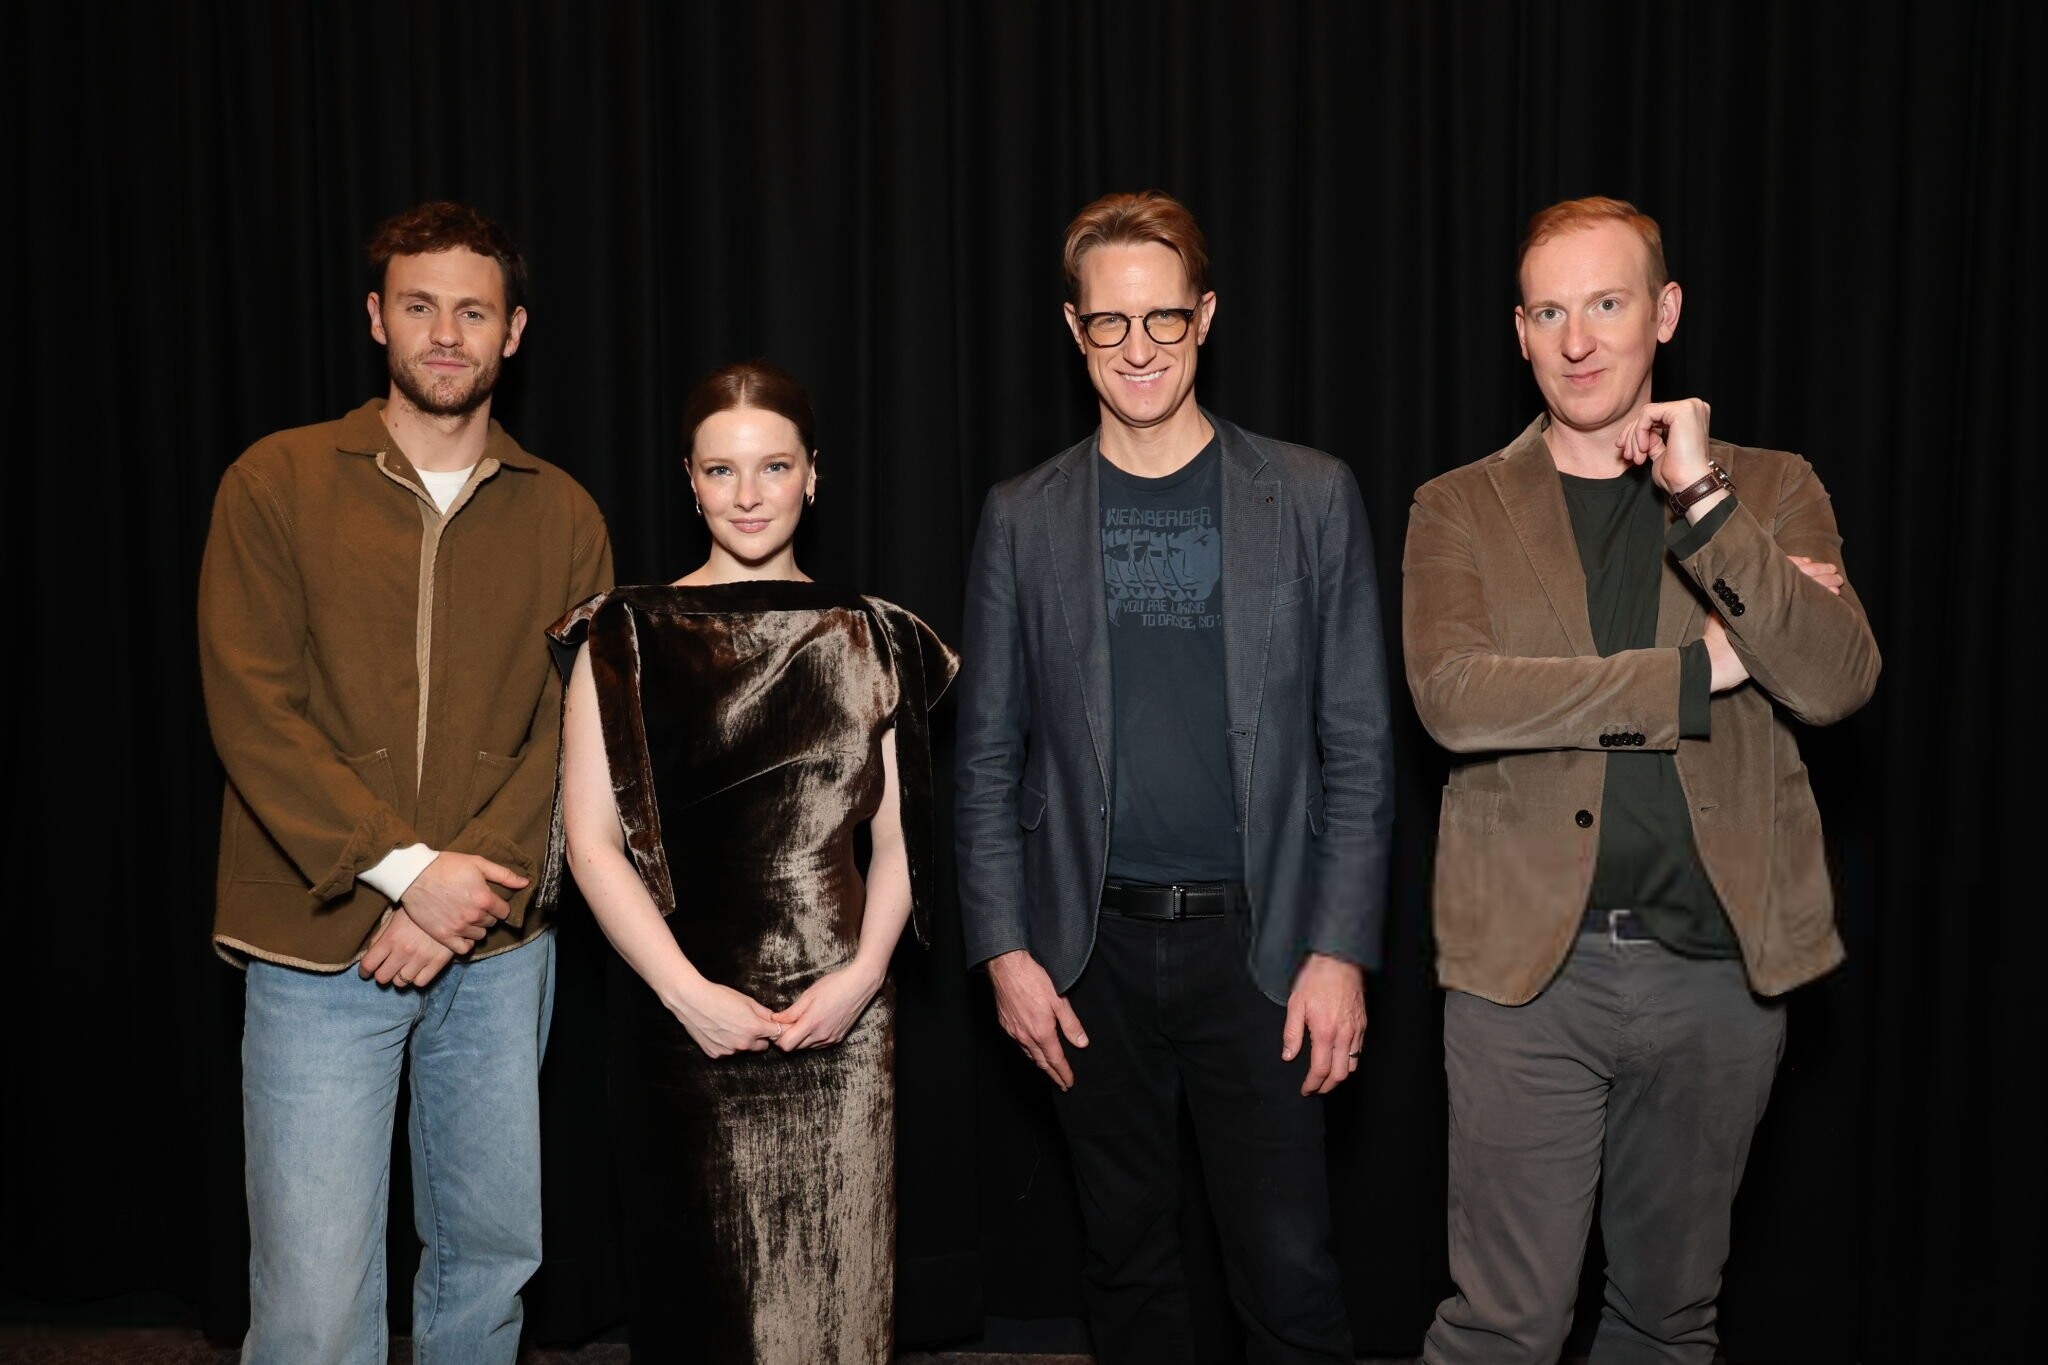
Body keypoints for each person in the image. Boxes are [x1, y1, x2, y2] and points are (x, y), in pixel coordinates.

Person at [1403, 196, 1881, 1363]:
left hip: (1717, 971)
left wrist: (1703, 499)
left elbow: (1831, 681)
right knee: (1502, 1326)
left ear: (1662, 312)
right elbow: (1456, 699)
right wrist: (1694, 674)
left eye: (1605, 304)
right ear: (1518, 332)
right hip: (1522, 975)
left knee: (1665, 1321)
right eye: (1547, 313)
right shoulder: (1455, 505)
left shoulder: (1768, 489)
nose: (1576, 341)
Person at [954, 190, 1396, 1364]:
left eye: (1162, 318)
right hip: (1086, 956)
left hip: (1267, 952)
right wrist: (1004, 954)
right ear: (1073, 328)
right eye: (1109, 322)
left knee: (1289, 1278)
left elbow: (1358, 746)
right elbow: (986, 756)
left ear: (1204, 316)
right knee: (1126, 1270)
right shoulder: (1021, 517)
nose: (1137, 347)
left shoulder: (1309, 497)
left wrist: (1340, 951)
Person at [197, 201, 613, 1364]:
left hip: (499, 944)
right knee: (314, 1284)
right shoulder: (276, 481)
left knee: (488, 1261)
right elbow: (252, 709)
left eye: (473, 312)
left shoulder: (564, 511)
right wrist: (404, 871)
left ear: (512, 332)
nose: (445, 333)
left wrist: (458, 894)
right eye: (420, 306)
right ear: (376, 318)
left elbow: (572, 731)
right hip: (315, 935)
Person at [551, 361, 957, 1364]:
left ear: (813, 475)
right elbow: (591, 842)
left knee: (836, 1307)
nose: (747, 494)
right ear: (688, 482)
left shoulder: (874, 633)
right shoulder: (621, 635)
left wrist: (862, 978)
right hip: (677, 1024)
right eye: (720, 470)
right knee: (696, 1306)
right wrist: (687, 995)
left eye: (772, 466)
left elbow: (902, 839)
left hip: (840, 1027)